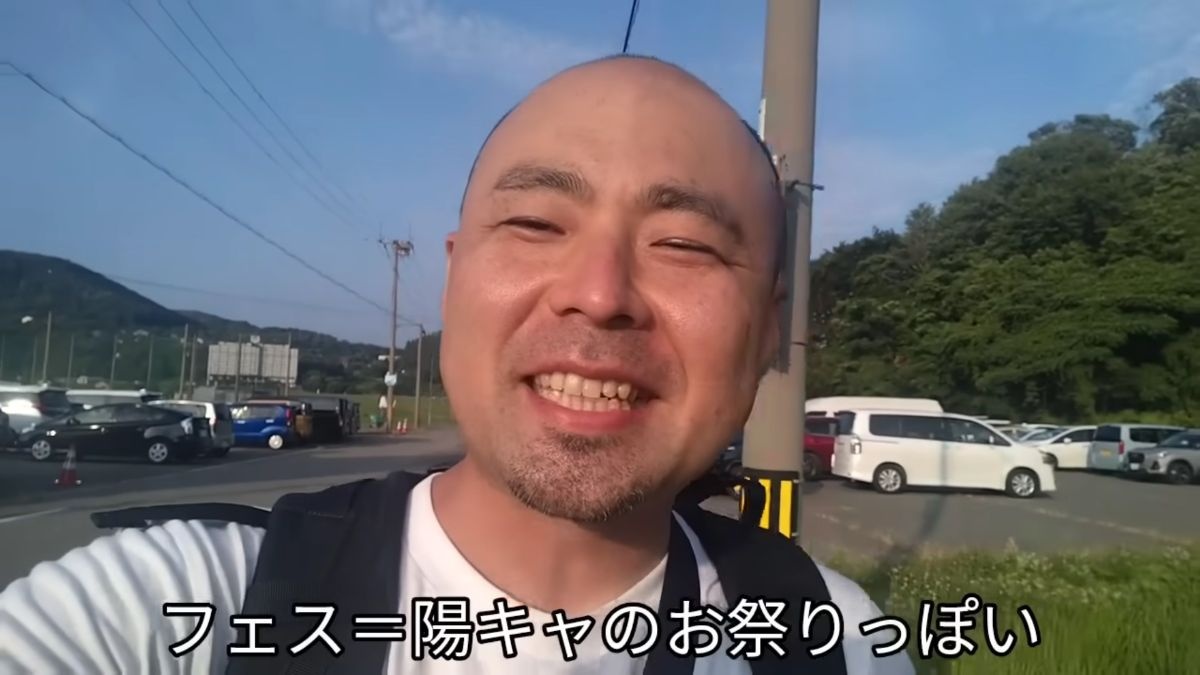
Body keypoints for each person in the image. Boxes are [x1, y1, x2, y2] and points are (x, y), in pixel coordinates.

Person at [0, 55, 915, 675]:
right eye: (536, 224)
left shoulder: (834, 640)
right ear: (453, 278)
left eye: (683, 243)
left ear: (770, 329)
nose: (599, 293)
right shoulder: (183, 602)